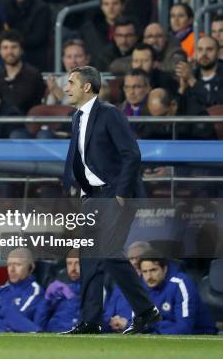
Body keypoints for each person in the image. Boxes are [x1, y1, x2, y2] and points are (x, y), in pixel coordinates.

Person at [61, 66, 160, 335]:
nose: (66, 87)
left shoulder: (109, 113)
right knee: (90, 258)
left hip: (114, 194)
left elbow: (132, 154)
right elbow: (81, 159)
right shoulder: (77, 118)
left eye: (71, 82)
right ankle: (91, 320)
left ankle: (145, 309)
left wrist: (121, 193)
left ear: (87, 87)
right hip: (92, 196)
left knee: (106, 251)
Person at [138, 257, 217, 334]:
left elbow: (184, 327)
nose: (149, 276)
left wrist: (155, 332)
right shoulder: (142, 286)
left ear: (164, 269)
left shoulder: (180, 283)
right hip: (162, 334)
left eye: (153, 270)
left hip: (200, 335)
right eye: (145, 271)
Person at [0, 29, 45, 114]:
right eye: (5, 48)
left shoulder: (32, 74)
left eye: (14, 47)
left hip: (26, 123)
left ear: (21, 50)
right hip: (0, 123)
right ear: (0, 52)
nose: (9, 52)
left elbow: (15, 103)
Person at [37, 253, 81, 332]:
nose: (73, 268)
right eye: (69, 264)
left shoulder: (91, 289)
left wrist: (72, 298)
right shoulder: (58, 289)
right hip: (51, 335)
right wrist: (46, 299)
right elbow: (39, 323)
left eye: (77, 263)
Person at [46, 39, 90, 106]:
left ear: (87, 59)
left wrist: (61, 97)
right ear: (63, 60)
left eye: (78, 56)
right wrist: (53, 93)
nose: (73, 61)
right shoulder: (59, 82)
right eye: (69, 57)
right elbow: (48, 110)